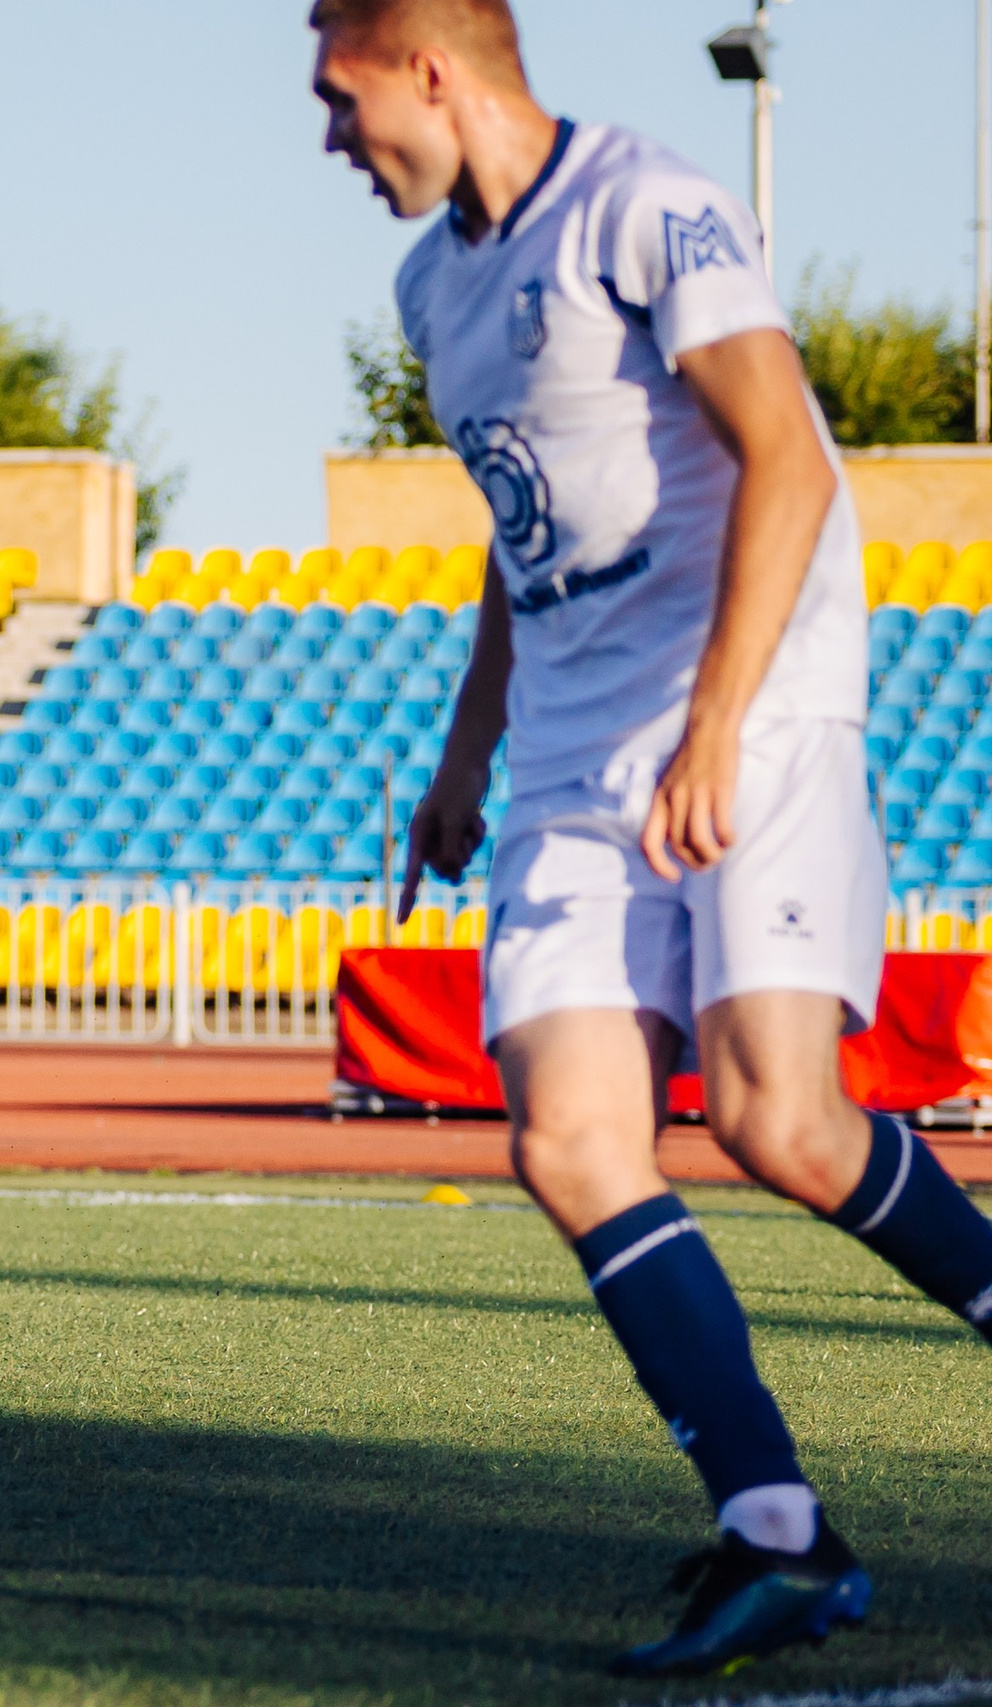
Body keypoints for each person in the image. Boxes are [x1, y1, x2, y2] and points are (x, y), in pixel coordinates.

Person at [312, 0, 992, 1676]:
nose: (328, 138)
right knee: (571, 1138)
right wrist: (464, 755)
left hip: (746, 697)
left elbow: (786, 456)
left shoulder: (649, 199)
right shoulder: (430, 285)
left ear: (430, 68)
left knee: (781, 1117)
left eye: (337, 96)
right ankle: (777, 1530)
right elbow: (516, 516)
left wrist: (713, 722)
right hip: (562, 743)